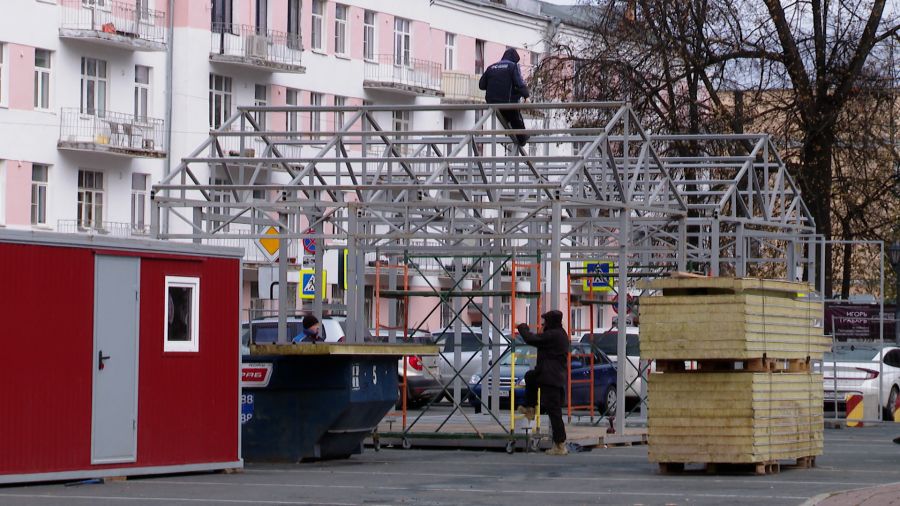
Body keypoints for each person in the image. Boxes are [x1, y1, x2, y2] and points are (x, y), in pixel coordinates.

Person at [516, 310, 569, 455]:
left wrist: (522, 327)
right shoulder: (560, 334)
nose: (543, 324)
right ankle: (530, 407)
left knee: (554, 412)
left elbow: (532, 339)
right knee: (530, 377)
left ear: (551, 322)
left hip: (550, 377)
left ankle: (560, 445)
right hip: (549, 375)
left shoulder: (554, 335)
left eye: (545, 321)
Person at [478, 47, 530, 146]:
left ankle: (511, 129)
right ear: (515, 59)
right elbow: (519, 83)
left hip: (492, 103)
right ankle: (522, 138)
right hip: (507, 101)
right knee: (516, 117)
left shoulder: (491, 67)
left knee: (508, 117)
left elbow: (481, 85)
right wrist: (526, 96)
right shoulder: (512, 66)